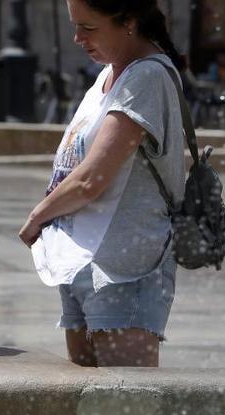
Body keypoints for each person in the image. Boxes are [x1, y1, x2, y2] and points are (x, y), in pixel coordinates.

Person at [18, 0, 185, 368]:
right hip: (82, 261)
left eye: (89, 28)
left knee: (126, 410)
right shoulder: (109, 75)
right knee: (87, 411)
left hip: (124, 270)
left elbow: (92, 178)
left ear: (129, 20)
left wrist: (38, 217)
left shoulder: (148, 77)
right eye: (75, 26)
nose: (78, 38)